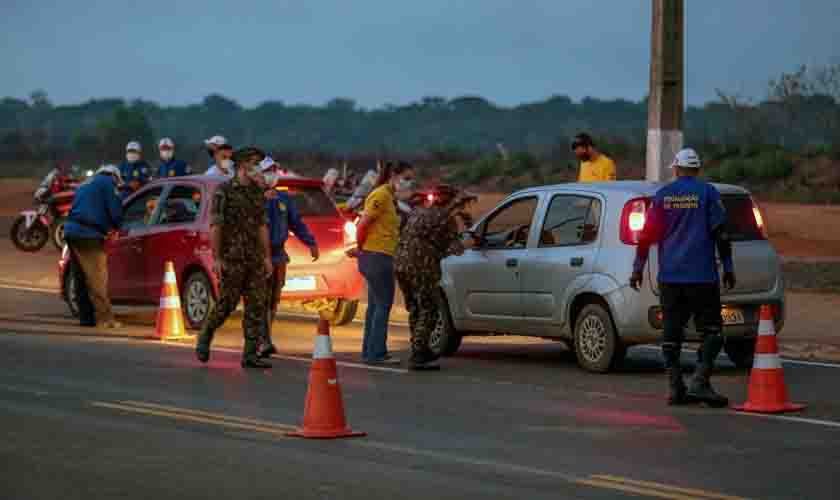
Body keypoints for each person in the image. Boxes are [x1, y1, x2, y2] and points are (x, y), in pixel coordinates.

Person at [630, 148, 736, 407]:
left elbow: (645, 236)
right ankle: (700, 382)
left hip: (671, 277)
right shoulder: (708, 193)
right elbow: (721, 234)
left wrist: (637, 268)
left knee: (671, 333)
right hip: (702, 277)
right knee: (712, 332)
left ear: (675, 169)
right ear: (697, 170)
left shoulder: (663, 196)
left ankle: (675, 387)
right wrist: (729, 267)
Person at [196, 147, 274, 369]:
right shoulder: (224, 191)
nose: (257, 167)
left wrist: (267, 257)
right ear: (241, 166)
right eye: (253, 162)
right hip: (232, 257)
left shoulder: (257, 192)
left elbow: (262, 227)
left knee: (257, 304)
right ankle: (206, 334)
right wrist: (217, 258)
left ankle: (250, 354)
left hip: (255, 259)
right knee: (226, 304)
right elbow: (216, 226)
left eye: (259, 162)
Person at [395, 185, 476, 370]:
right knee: (429, 308)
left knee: (415, 307)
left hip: (400, 264)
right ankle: (419, 354)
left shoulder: (419, 212)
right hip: (421, 265)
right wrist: (469, 234)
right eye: (461, 203)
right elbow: (456, 249)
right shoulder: (446, 219)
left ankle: (419, 347)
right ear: (452, 202)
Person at [348, 161, 416, 365]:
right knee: (383, 305)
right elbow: (362, 225)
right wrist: (360, 248)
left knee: (375, 305)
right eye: (406, 178)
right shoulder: (381, 196)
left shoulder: (389, 197)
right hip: (377, 256)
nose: (408, 183)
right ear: (393, 175)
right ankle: (376, 352)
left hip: (379, 255)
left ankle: (370, 351)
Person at [258, 156, 320, 358]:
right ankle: (261, 340)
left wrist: (310, 242)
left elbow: (297, 223)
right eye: (267, 170)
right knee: (261, 298)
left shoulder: (284, 199)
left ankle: (265, 338)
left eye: (274, 170)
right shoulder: (254, 200)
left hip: (279, 256)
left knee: (274, 299)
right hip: (259, 257)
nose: (272, 174)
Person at [63, 165, 124, 328]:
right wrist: (117, 227)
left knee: (80, 277)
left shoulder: (85, 184)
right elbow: (115, 211)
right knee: (98, 278)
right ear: (115, 177)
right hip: (88, 234)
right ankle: (106, 319)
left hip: (71, 231)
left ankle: (86, 318)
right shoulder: (108, 184)